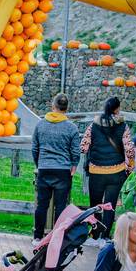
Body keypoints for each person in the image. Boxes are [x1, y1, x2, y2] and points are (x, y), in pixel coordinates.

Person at [80, 95, 135, 234]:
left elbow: (83, 147)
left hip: (96, 171)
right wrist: (129, 169)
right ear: (117, 109)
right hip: (116, 172)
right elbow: (129, 150)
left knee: (96, 205)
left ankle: (95, 234)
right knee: (110, 206)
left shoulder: (93, 125)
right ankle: (104, 237)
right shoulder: (123, 126)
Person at [31, 93, 81, 240]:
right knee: (60, 207)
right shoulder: (71, 128)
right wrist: (74, 164)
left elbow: (35, 148)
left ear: (53, 106)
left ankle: (37, 237)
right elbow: (75, 151)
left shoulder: (40, 124)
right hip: (63, 171)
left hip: (45, 168)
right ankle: (56, 237)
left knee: (42, 205)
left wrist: (39, 163)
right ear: (66, 108)